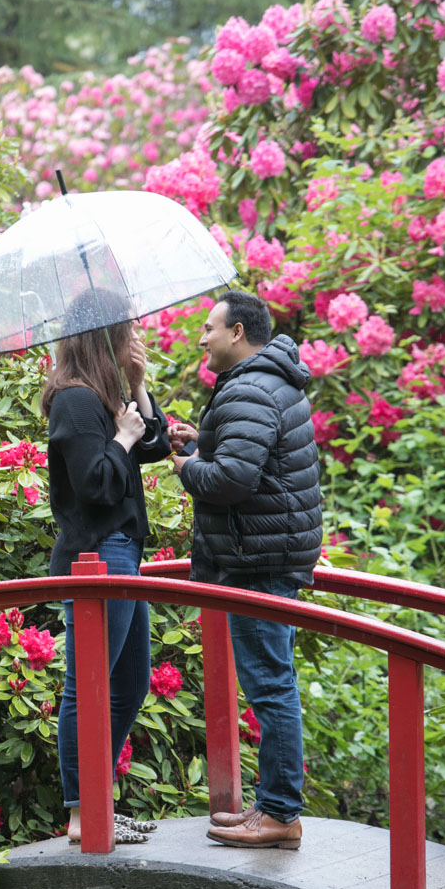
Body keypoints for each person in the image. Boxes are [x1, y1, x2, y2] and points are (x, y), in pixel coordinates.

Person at [170, 289, 322, 850]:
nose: (202, 337)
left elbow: (233, 480)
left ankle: (280, 813)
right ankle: (273, 806)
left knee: (271, 686)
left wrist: (187, 464)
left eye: (209, 327)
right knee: (271, 681)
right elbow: (250, 454)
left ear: (237, 333)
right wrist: (203, 437)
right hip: (271, 552)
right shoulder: (266, 381)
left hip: (258, 560)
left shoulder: (249, 390)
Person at [41, 289, 170, 845]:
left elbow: (157, 445)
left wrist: (138, 386)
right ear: (104, 334)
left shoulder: (104, 393)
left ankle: (98, 799)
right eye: (129, 327)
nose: (137, 334)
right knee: (86, 685)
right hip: (96, 553)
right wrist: (121, 436)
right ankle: (82, 810)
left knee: (130, 681)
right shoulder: (74, 400)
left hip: (121, 551)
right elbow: (95, 483)